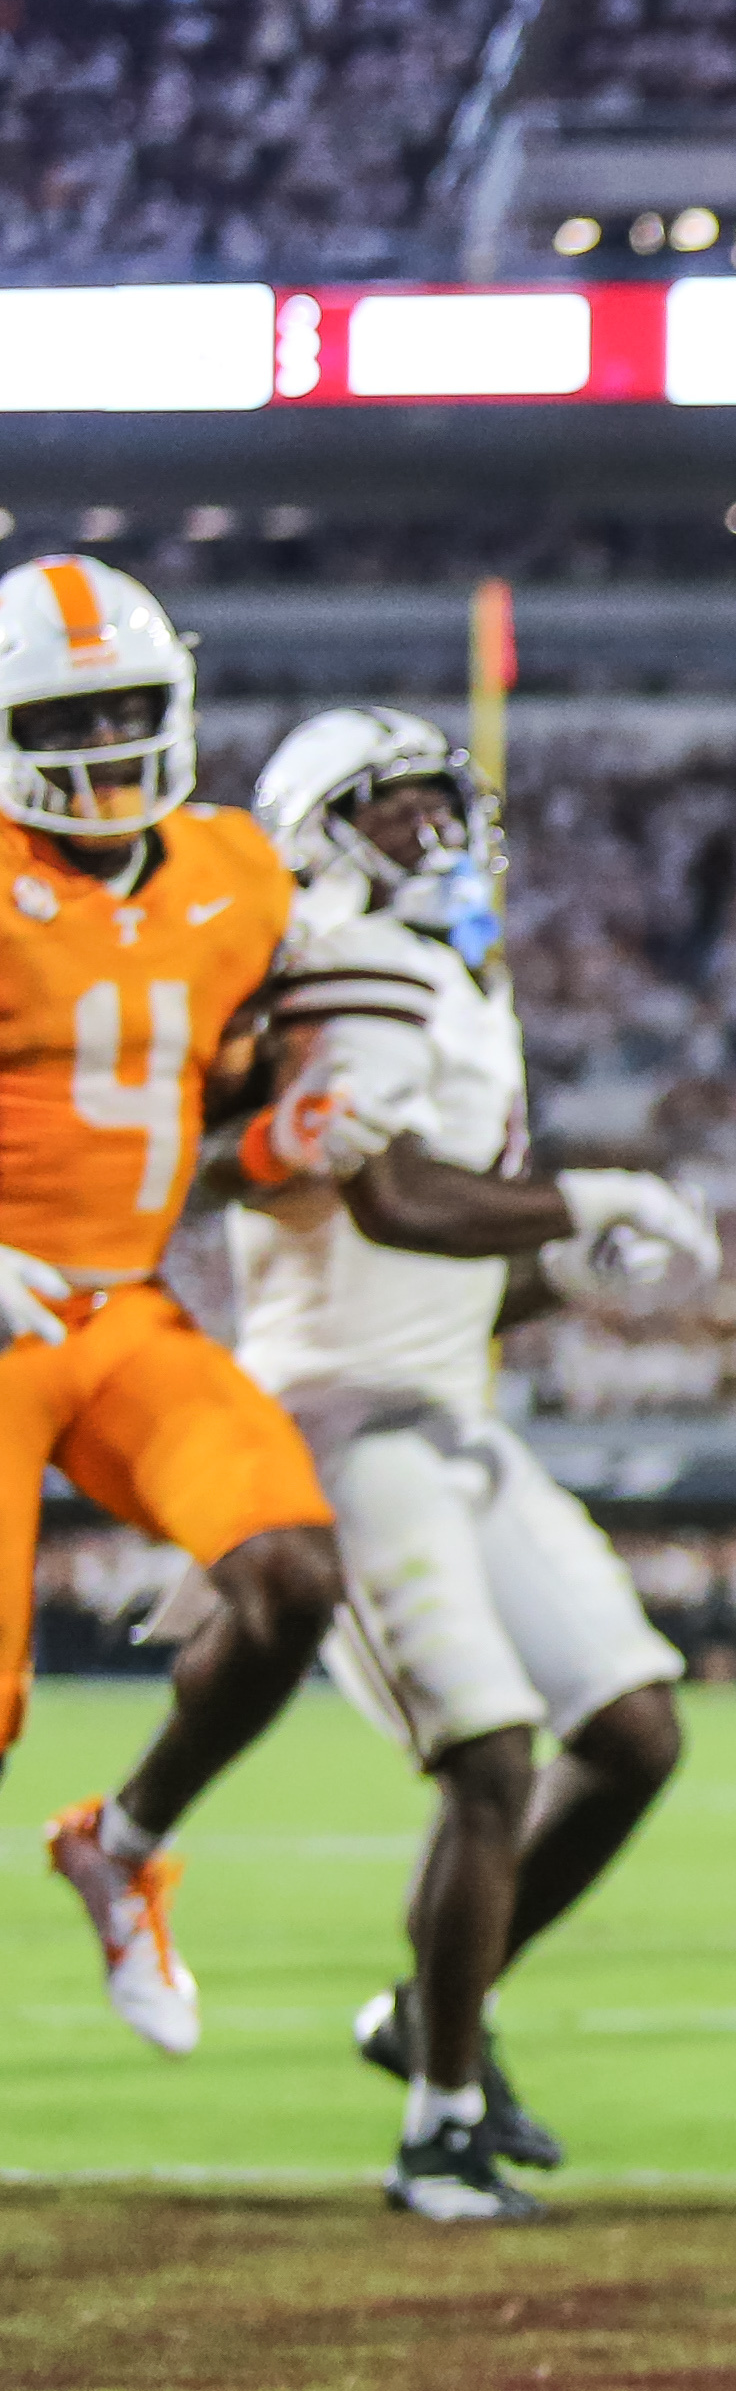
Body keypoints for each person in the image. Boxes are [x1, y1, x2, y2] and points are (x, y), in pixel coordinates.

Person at [229, 706, 721, 2221]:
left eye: (446, 811)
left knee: (634, 1732)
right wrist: (591, 1198)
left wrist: (579, 1280)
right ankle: (442, 2120)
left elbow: (460, 1264)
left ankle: (423, 2016)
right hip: (340, 1422)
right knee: (492, 1758)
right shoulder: (329, 970)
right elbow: (392, 1202)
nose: (432, 841)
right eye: (392, 817)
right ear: (318, 838)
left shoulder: (454, 989)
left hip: (449, 1414)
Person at [0, 557, 351, 2055]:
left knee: (289, 1581)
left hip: (123, 1312)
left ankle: (123, 1846)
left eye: (128, 709)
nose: (103, 749)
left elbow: (224, 1092)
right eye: (68, 719)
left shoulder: (236, 871)